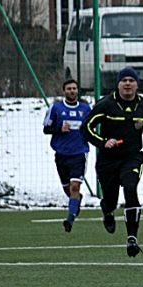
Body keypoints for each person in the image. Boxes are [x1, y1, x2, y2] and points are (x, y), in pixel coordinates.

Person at [80, 66, 143, 257]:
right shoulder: (106, 104)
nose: (127, 84)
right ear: (118, 84)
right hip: (108, 161)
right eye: (124, 80)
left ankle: (132, 237)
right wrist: (103, 142)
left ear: (137, 85)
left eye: (131, 81)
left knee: (130, 188)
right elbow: (86, 127)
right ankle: (107, 211)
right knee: (111, 199)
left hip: (132, 157)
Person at [42, 79, 91, 232]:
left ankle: (70, 219)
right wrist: (59, 129)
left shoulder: (85, 108)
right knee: (68, 190)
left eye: (74, 88)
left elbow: (92, 126)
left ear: (77, 90)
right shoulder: (56, 108)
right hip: (61, 154)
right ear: (64, 91)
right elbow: (46, 129)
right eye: (69, 88)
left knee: (75, 186)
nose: (72, 91)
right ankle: (76, 201)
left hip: (79, 153)